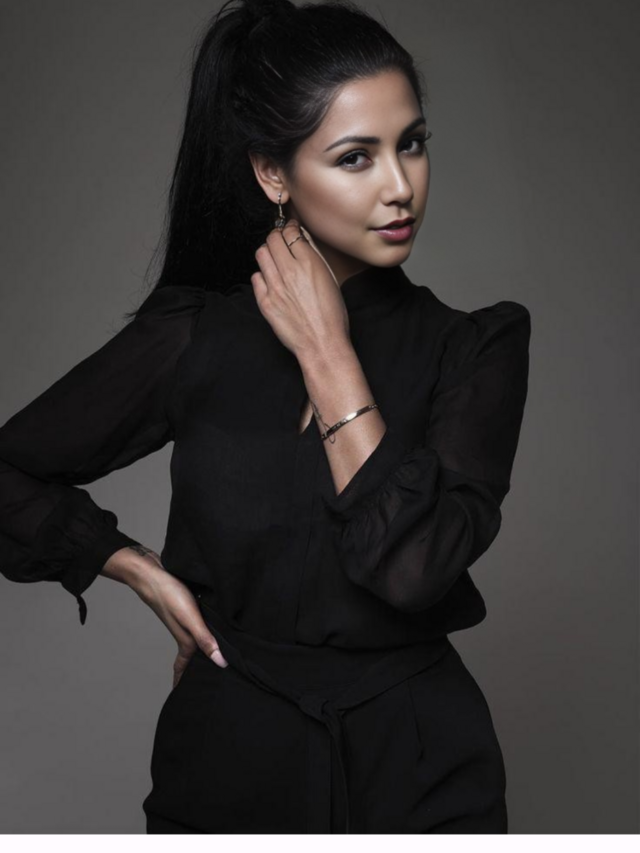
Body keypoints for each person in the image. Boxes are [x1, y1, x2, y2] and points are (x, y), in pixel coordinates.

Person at [0, 0, 531, 835]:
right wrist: (133, 566)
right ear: (273, 175)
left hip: (422, 769)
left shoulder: (476, 345)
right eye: (355, 156)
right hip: (227, 758)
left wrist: (327, 352)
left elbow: (412, 568)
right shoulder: (194, 335)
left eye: (412, 143)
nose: (400, 186)